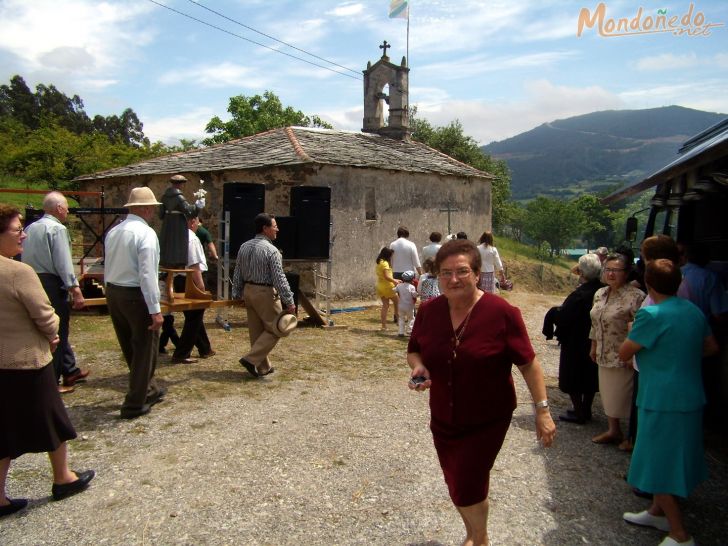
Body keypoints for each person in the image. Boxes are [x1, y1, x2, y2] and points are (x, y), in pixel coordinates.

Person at [407, 239, 556, 546]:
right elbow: (414, 351)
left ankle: (481, 539)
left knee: (468, 480)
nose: (453, 279)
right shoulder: (429, 312)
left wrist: (542, 410)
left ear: (477, 273)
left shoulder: (502, 312)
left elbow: (528, 364)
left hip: (487, 417)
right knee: (455, 481)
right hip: (444, 416)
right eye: (446, 273)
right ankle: (474, 535)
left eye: (462, 271)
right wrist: (419, 367)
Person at [0, 204, 95, 517]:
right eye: (17, 230)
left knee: (4, 429)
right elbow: (46, 316)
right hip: (25, 361)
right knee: (53, 419)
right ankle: (63, 478)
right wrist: (52, 334)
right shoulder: (17, 272)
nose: (23, 235)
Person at [619, 259, 718, 546]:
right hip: (689, 394)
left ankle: (679, 533)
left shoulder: (651, 316)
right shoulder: (693, 311)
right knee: (674, 457)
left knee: (654, 463)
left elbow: (626, 352)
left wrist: (632, 329)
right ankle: (656, 511)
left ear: (648, 283)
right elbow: (711, 347)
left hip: (660, 397)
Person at [104, 187, 166, 419]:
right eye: (151, 208)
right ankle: (134, 403)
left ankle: (147, 388)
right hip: (134, 294)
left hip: (114, 292)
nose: (152, 212)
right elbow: (147, 274)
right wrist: (155, 309)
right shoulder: (145, 234)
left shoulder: (115, 231)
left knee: (130, 346)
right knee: (144, 349)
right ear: (146, 209)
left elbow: (108, 263)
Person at [21, 191, 89, 393]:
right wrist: (75, 289)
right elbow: (63, 262)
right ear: (59, 208)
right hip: (51, 282)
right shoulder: (57, 229)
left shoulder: (30, 227)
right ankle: (54, 380)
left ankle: (69, 369)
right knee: (58, 329)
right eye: (67, 207)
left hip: (32, 279)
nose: (68, 211)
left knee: (45, 328)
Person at [589, 251, 645, 444]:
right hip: (604, 350)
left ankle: (631, 435)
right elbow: (595, 322)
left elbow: (640, 327)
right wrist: (593, 344)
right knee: (608, 393)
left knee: (625, 396)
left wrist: (632, 354)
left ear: (627, 272)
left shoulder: (636, 296)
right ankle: (613, 430)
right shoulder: (600, 293)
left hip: (623, 354)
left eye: (616, 270)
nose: (611, 274)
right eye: (608, 270)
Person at [232, 213, 296, 378]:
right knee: (279, 327)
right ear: (265, 228)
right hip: (265, 292)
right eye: (274, 226)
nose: (277, 229)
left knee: (256, 331)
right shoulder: (272, 251)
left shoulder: (243, 246)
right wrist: (289, 301)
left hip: (248, 291)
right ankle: (250, 359)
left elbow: (237, 271)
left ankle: (263, 367)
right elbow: (279, 278)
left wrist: (236, 293)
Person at [555, 253, 603, 424]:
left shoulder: (580, 294)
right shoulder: (602, 290)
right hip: (594, 340)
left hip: (576, 340)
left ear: (582, 272)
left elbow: (565, 316)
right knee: (590, 375)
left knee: (573, 376)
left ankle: (579, 411)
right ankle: (586, 409)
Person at [171, 214, 215, 363]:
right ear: (191, 222)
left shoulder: (175, 236)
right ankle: (181, 353)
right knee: (194, 317)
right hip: (190, 281)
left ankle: (205, 348)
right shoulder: (192, 238)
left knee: (194, 317)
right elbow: (194, 264)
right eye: (196, 221)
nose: (198, 225)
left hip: (178, 279)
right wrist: (201, 286)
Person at [159, 174, 204, 268]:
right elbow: (189, 211)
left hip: (167, 224)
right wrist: (197, 206)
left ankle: (166, 260)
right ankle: (178, 261)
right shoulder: (179, 198)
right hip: (178, 224)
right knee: (178, 242)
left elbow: (161, 214)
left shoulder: (164, 197)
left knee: (168, 242)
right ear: (181, 185)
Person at [375, 247, 400, 330]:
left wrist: (394, 280)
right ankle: (399, 321)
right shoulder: (385, 263)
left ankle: (384, 326)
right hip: (388, 286)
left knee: (385, 305)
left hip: (380, 286)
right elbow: (386, 276)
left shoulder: (379, 262)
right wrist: (395, 281)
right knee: (398, 303)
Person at [395, 270, 417, 337]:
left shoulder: (399, 285)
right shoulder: (411, 287)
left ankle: (401, 332)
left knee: (401, 318)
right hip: (409, 306)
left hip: (400, 305)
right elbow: (414, 295)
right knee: (411, 318)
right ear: (412, 279)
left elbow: (394, 290)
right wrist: (417, 294)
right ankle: (409, 330)